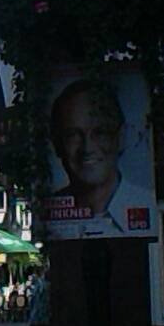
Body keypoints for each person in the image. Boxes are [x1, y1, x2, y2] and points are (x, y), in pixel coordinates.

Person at [49, 79, 126, 235]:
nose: (87, 148)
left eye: (100, 132)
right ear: (57, 144)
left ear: (121, 137)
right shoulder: (48, 211)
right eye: (73, 135)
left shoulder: (143, 203)